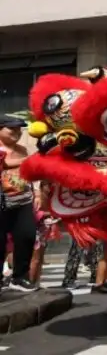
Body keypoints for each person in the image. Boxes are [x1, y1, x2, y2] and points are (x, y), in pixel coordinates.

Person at [0, 115, 37, 292]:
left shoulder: (22, 149)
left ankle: (20, 277)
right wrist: (31, 160)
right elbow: (4, 163)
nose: (16, 133)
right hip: (3, 202)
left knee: (27, 236)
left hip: (23, 200)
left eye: (19, 129)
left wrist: (36, 192)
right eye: (11, 129)